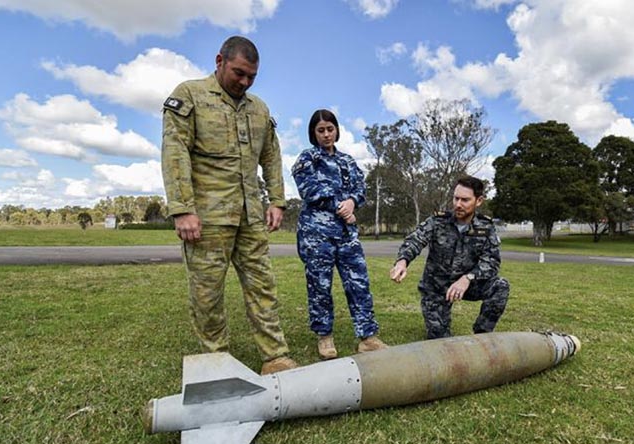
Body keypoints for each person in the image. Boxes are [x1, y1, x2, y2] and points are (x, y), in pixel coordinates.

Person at [161, 36, 297, 375]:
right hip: (206, 217)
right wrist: (182, 209)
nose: (245, 82)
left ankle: (275, 356)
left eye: (252, 76)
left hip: (251, 216)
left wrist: (277, 201)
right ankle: (217, 360)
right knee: (207, 295)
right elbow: (175, 152)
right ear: (219, 60)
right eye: (239, 73)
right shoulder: (189, 95)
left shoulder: (259, 109)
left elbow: (271, 156)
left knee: (263, 286)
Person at [292, 109, 387, 360]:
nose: (326, 134)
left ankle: (367, 337)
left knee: (359, 283)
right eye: (320, 130)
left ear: (337, 130)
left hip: (347, 235)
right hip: (317, 235)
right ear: (313, 133)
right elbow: (310, 190)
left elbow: (360, 188)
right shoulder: (307, 158)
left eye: (330, 129)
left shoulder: (347, 161)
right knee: (320, 286)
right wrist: (341, 207)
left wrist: (353, 202)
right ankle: (324, 337)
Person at [390, 176, 510, 339]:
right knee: (440, 339)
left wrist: (467, 278)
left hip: (467, 285)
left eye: (465, 200)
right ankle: (439, 325)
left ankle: (482, 335)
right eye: (456, 198)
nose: (458, 204)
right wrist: (402, 262)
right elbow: (416, 239)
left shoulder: (486, 227)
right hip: (437, 287)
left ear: (479, 200)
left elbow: (491, 262)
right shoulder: (438, 221)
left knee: (500, 286)